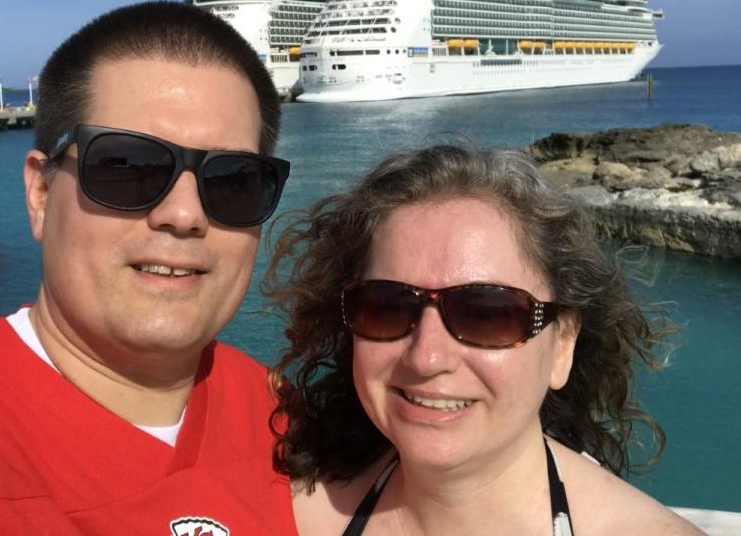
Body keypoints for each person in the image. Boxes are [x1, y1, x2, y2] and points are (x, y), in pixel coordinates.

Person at [0, 1, 297, 534]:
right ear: (41, 194)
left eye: (234, 180)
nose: (184, 215)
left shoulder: (293, 427)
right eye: (126, 166)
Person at [265, 143, 704, 536]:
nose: (427, 356)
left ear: (563, 344)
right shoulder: (284, 514)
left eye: (486, 313)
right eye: (388, 306)